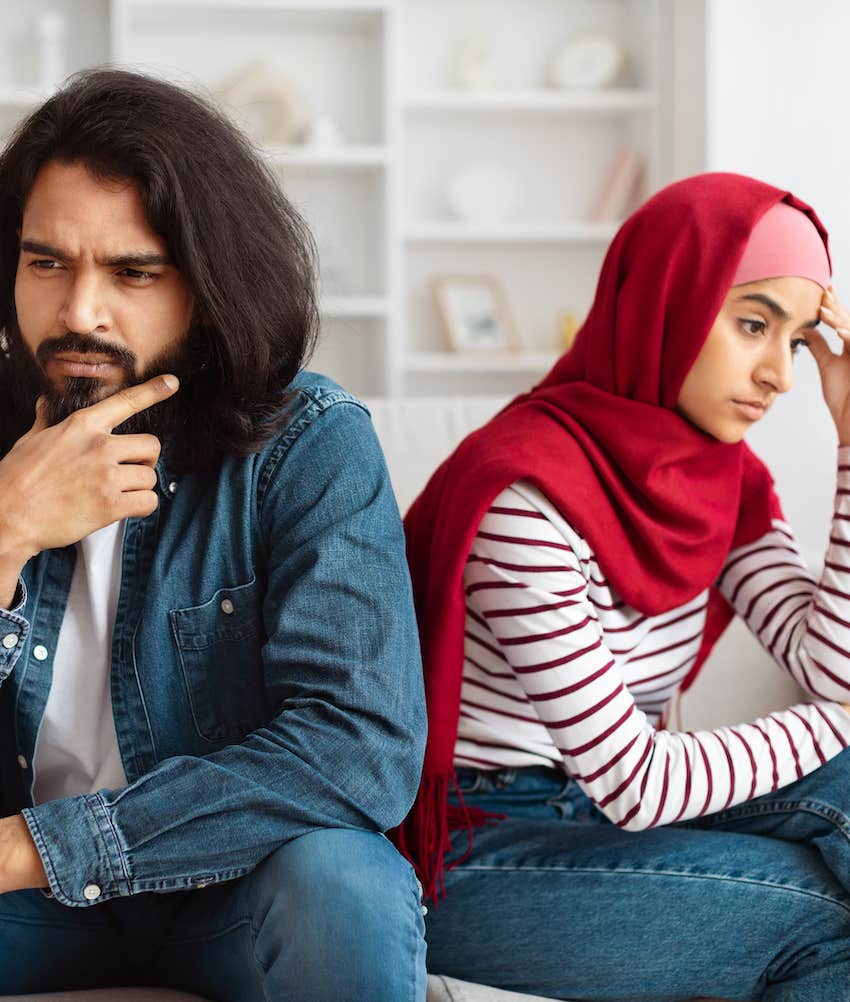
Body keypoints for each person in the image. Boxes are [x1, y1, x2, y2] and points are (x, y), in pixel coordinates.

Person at [0, 68, 427, 1000]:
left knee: (345, 886)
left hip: (228, 886)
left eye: (132, 271)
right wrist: (6, 532)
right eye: (47, 262)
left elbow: (360, 746)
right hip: (24, 907)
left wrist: (45, 845)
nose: (80, 311)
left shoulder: (306, 443)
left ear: (205, 283)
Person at [397, 172, 850, 1001]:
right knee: (823, 914)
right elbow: (637, 784)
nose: (780, 377)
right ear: (668, 306)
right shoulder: (520, 497)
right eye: (752, 324)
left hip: (596, 817)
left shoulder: (726, 480)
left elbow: (834, 671)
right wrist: (838, 722)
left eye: (792, 341)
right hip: (480, 844)